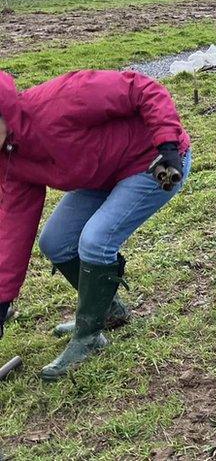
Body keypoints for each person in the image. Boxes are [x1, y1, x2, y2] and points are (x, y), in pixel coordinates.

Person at [0, 70, 191, 381]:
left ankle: (89, 337)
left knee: (95, 240)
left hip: (152, 162)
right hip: (101, 176)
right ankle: (108, 309)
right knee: (55, 241)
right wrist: (2, 299)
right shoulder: (8, 159)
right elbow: (12, 227)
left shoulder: (60, 101)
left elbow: (142, 88)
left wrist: (167, 145)